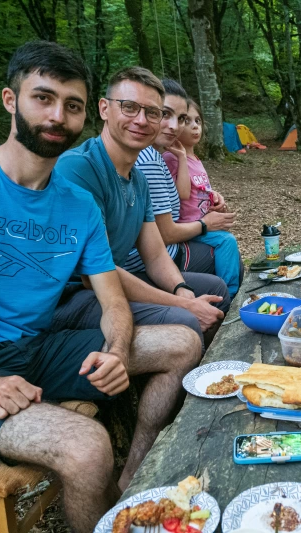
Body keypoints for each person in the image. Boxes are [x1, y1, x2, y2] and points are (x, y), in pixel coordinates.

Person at [0, 42, 202, 532]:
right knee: (87, 446)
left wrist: (116, 350)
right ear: (11, 100)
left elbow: (113, 300)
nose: (58, 116)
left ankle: (134, 479)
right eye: (43, 98)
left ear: (83, 115)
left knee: (182, 342)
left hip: (34, 351)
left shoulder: (77, 204)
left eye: (71, 106)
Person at [53, 67, 230, 351]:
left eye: (152, 112)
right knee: (185, 318)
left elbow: (156, 254)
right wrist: (184, 304)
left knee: (214, 291)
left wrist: (181, 289)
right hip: (73, 295)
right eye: (129, 107)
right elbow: (95, 271)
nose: (141, 120)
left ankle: (198, 381)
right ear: (104, 108)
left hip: (116, 280)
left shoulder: (137, 177)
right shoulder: (79, 168)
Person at [125, 79, 242, 297]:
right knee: (227, 252)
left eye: (180, 119)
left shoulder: (158, 157)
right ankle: (229, 302)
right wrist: (205, 224)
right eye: (164, 114)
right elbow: (167, 231)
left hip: (162, 252)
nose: (173, 125)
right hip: (158, 258)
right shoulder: (151, 159)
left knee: (231, 256)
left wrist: (212, 198)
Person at [159, 86, 243, 298]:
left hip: (202, 220)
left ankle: (230, 289)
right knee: (227, 242)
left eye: (198, 121)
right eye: (187, 121)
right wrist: (181, 159)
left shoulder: (196, 159)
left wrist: (215, 197)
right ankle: (229, 295)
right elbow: (183, 194)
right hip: (186, 227)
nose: (195, 127)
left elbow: (201, 189)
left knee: (228, 244)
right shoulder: (171, 158)